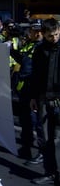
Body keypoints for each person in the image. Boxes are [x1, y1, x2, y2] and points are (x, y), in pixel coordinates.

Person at [30, 18, 60, 185]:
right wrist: (34, 97)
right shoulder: (40, 50)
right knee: (47, 139)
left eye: (56, 34)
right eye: (50, 36)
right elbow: (35, 75)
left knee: (57, 139)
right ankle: (50, 172)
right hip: (43, 98)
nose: (54, 38)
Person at [11, 19, 44, 163]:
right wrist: (11, 51)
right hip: (24, 90)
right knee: (25, 121)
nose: (36, 33)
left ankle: (43, 152)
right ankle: (26, 147)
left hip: (35, 91)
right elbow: (22, 60)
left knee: (38, 123)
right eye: (33, 30)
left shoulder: (43, 47)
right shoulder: (28, 45)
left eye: (38, 31)